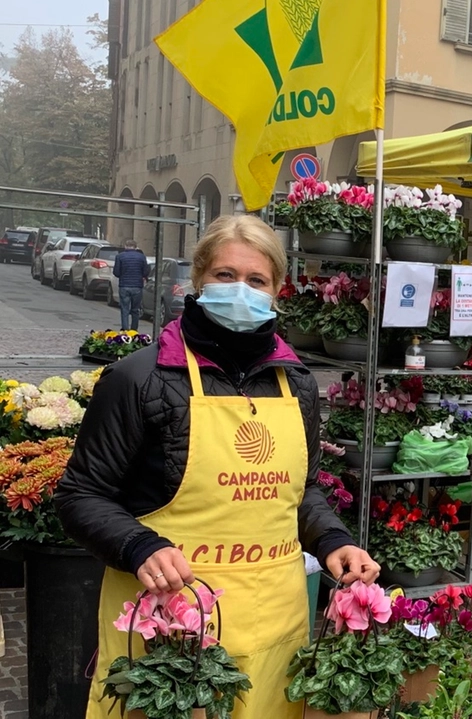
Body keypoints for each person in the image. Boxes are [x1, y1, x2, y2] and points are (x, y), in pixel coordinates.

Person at [56, 215, 380, 719]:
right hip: (169, 629)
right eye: (225, 276)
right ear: (198, 278)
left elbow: (303, 490)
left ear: (276, 290)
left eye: (256, 280)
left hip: (275, 620)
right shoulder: (137, 378)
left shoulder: (296, 383)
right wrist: (139, 544)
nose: (240, 290)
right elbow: (80, 494)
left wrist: (334, 540)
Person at [113, 238, 149, 331]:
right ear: (135, 247)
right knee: (135, 310)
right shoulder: (141, 257)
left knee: (124, 309)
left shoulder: (120, 256)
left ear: (125, 246)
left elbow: (116, 272)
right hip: (137, 286)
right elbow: (145, 272)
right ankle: (134, 330)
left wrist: (123, 274)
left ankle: (125, 329)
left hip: (124, 285)